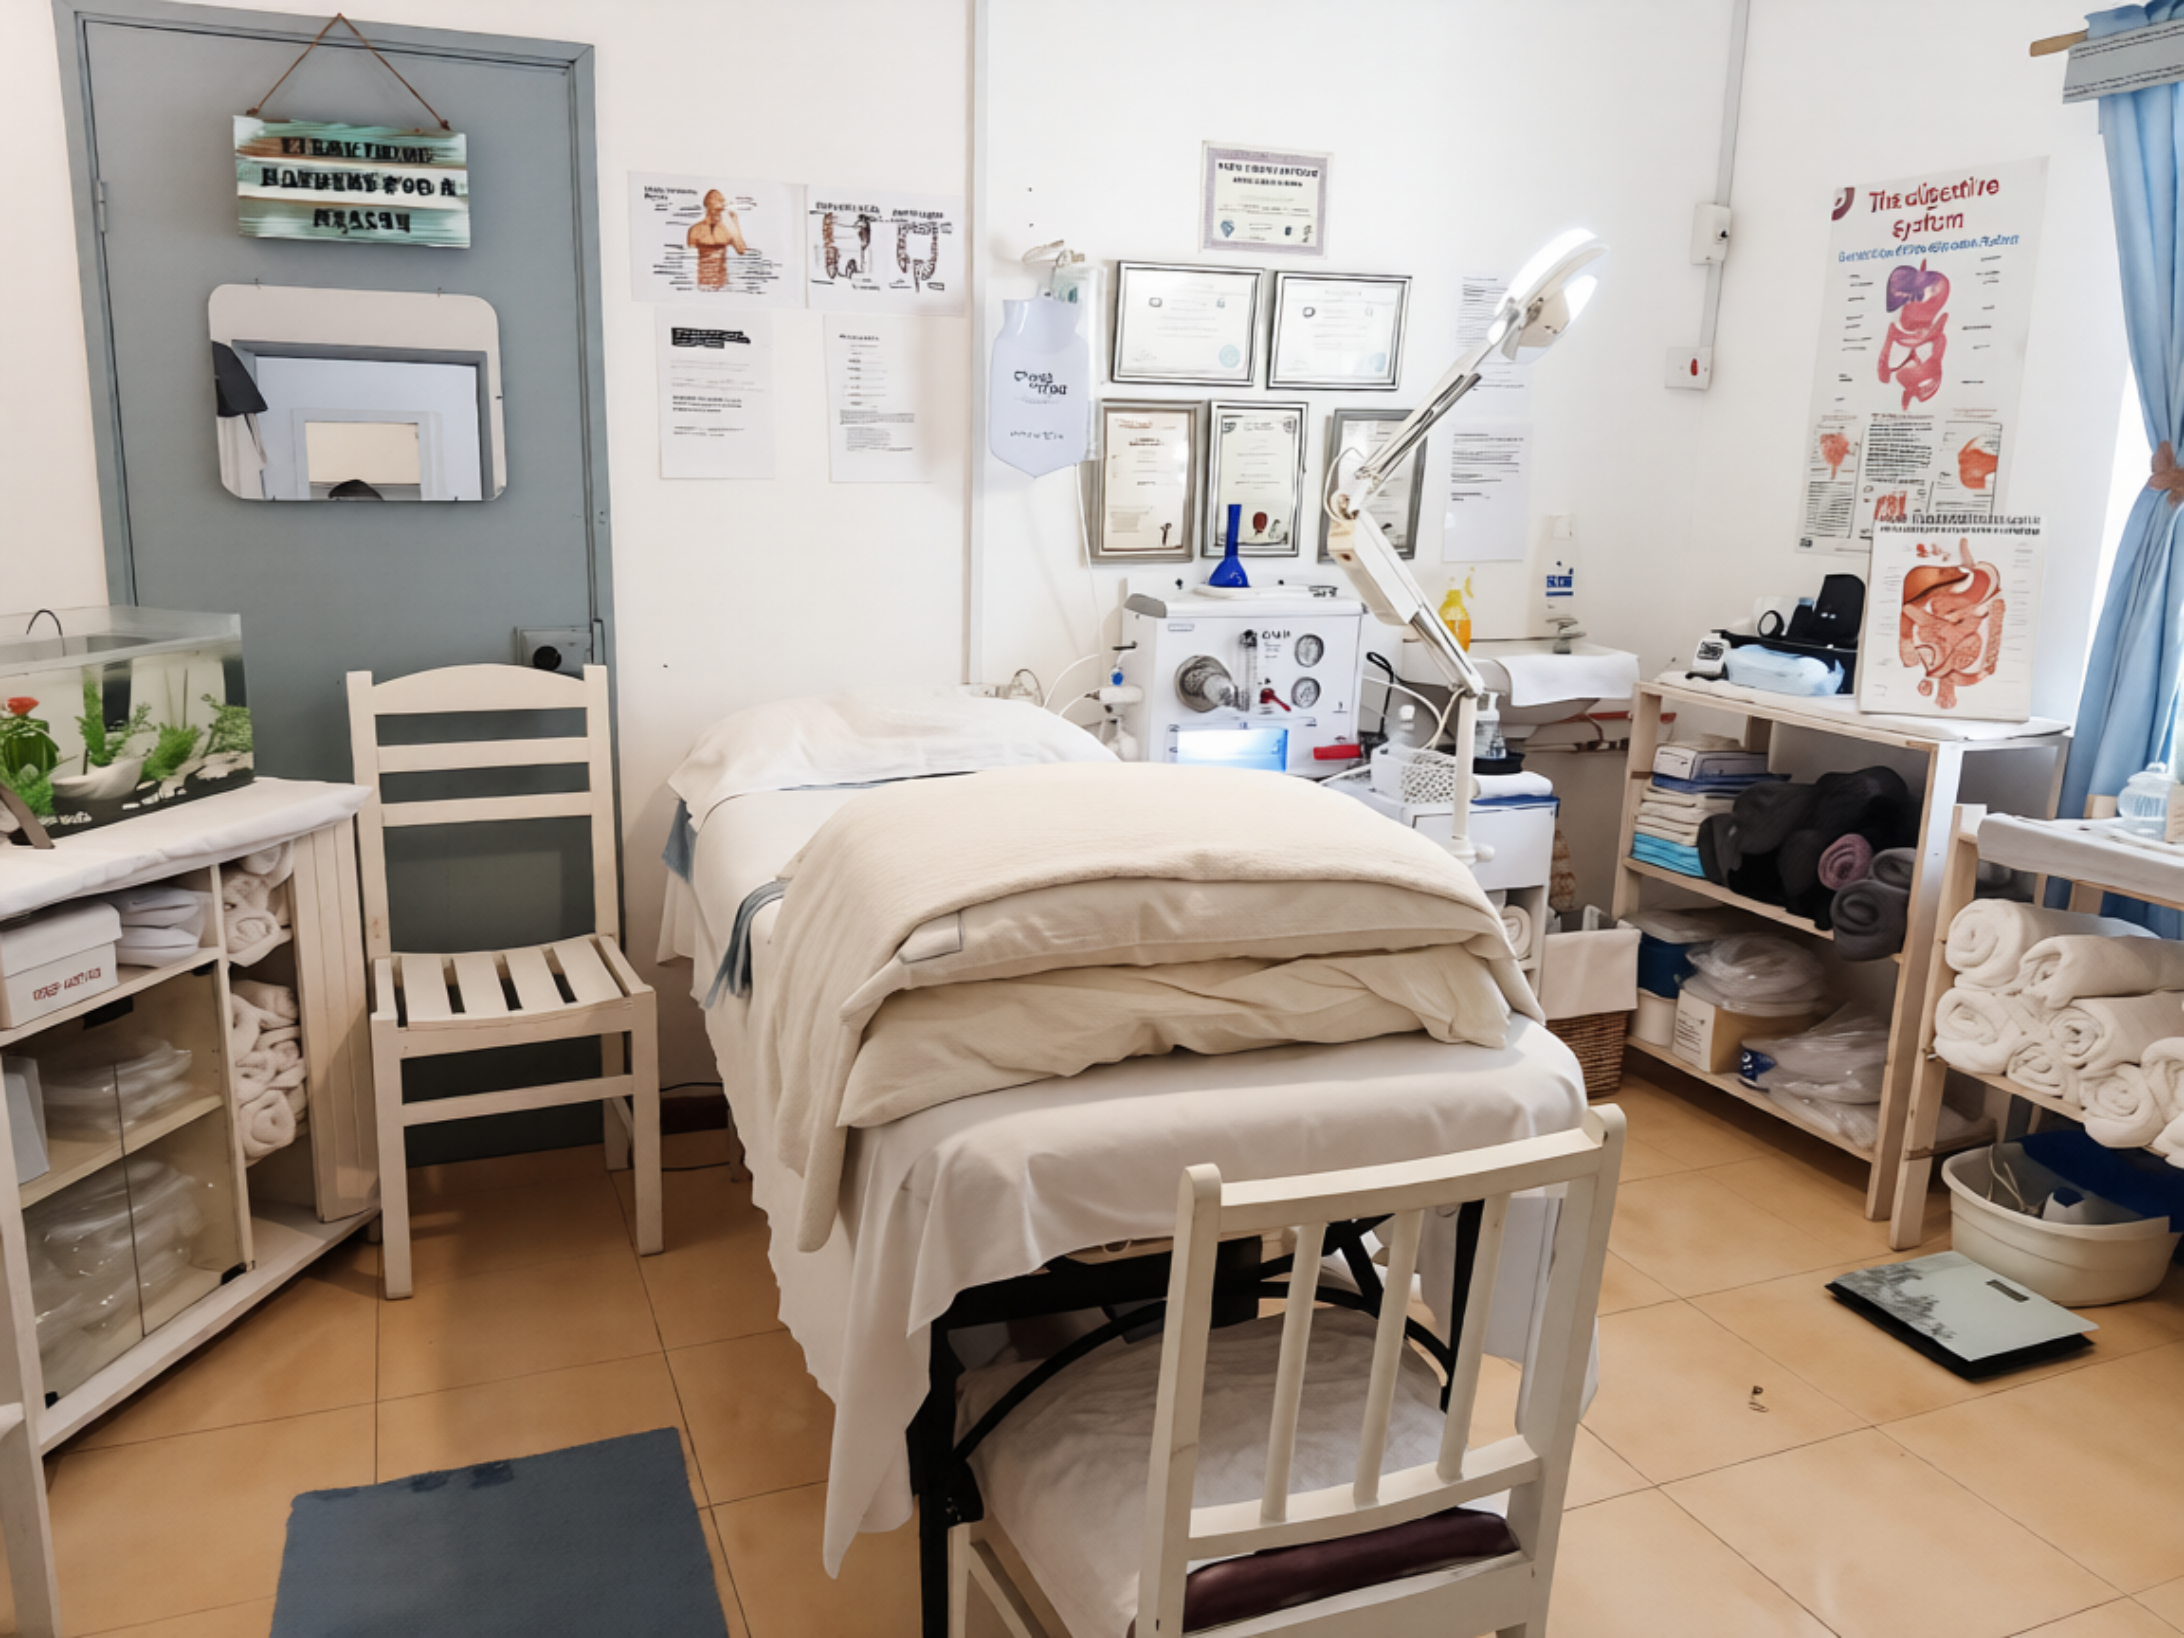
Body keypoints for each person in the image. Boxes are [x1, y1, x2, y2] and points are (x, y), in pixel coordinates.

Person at [687, 189, 749, 290]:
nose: (722, 202)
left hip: (722, 284)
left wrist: (735, 224)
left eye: (722, 201)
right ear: (708, 205)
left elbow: (741, 250)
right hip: (701, 285)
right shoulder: (695, 230)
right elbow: (689, 262)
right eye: (717, 199)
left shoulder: (727, 229)